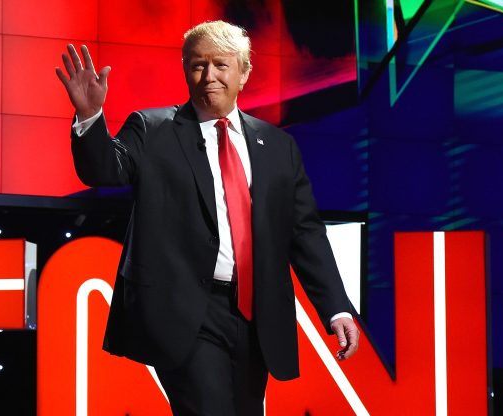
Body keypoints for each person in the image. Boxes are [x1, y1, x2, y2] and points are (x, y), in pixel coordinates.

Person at [55, 20, 359, 416]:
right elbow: (104, 170)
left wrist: (336, 307)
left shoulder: (278, 146)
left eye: (220, 65)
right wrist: (90, 117)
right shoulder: (153, 129)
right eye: (198, 65)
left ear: (243, 73)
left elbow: (304, 233)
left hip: (255, 313)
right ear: (186, 70)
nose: (209, 75)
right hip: (183, 312)